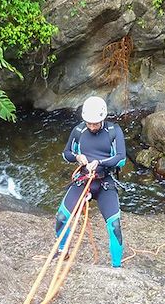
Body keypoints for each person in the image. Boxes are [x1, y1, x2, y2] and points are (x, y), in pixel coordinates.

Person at [54, 96, 126, 268]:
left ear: (103, 119)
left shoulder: (113, 131)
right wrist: (78, 157)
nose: (92, 127)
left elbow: (121, 159)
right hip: (84, 179)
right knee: (61, 217)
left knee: (114, 225)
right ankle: (62, 252)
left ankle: (117, 267)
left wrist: (99, 163)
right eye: (89, 123)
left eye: (95, 123)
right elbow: (66, 153)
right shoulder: (79, 131)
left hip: (104, 182)